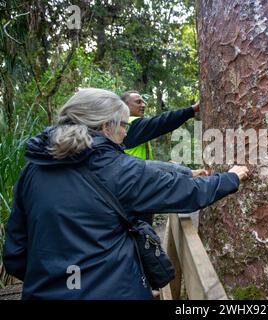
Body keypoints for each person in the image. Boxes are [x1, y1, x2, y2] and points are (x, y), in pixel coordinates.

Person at [2, 88, 249, 299]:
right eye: (123, 124)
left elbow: (15, 254)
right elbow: (186, 193)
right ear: (105, 125)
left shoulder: (33, 169)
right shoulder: (119, 168)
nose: (126, 132)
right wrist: (231, 178)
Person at [120, 90, 208, 226]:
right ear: (124, 106)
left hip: (139, 188)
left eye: (143, 101)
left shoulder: (127, 127)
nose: (143, 104)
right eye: (138, 102)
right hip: (133, 189)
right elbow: (161, 123)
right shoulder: (129, 125)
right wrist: (191, 110)